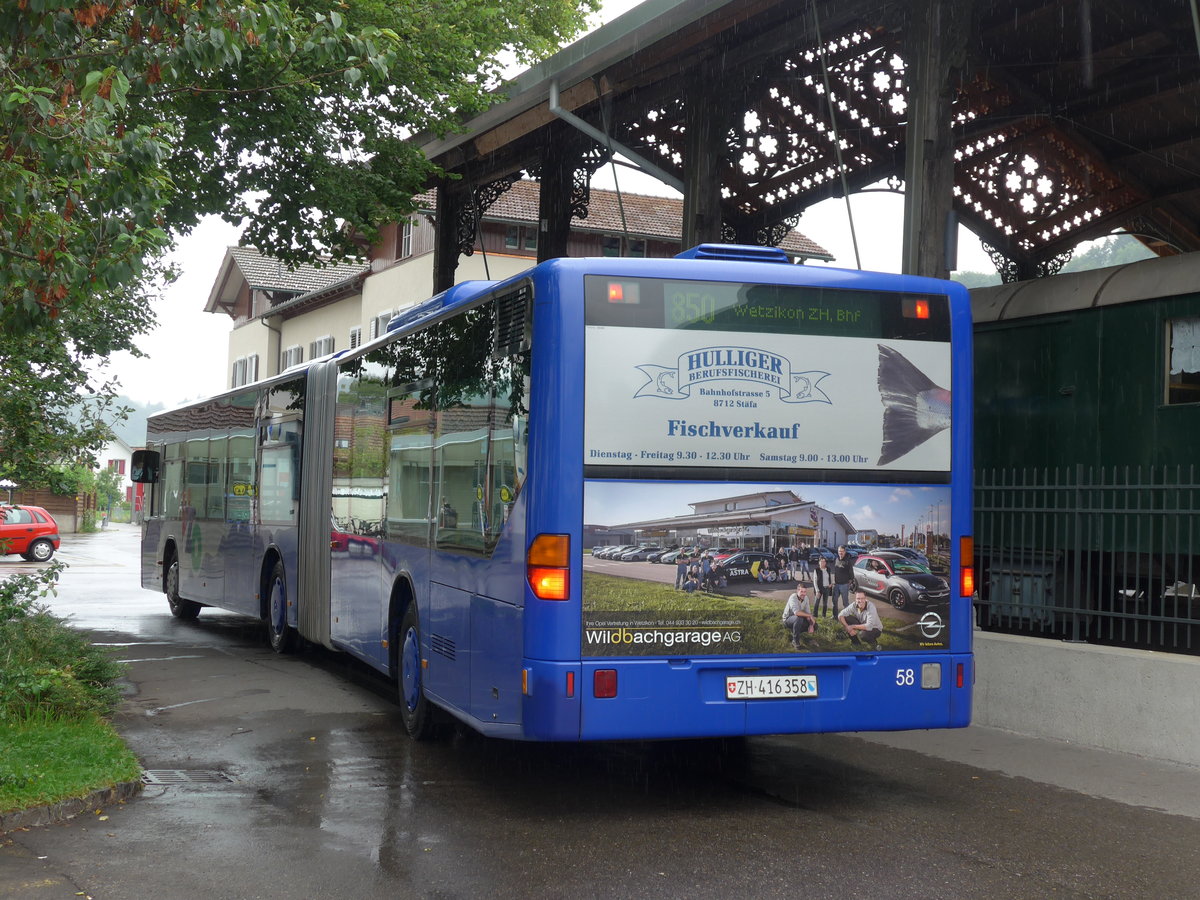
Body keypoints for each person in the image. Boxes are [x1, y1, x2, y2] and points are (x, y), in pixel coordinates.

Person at [832, 545, 855, 610]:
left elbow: (851, 574)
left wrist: (849, 583)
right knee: (834, 601)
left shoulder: (848, 561)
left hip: (844, 585)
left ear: (845, 552)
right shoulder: (836, 559)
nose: (840, 553)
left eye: (842, 551)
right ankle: (835, 615)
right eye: (839, 551)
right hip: (836, 584)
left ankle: (846, 616)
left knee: (845, 602)